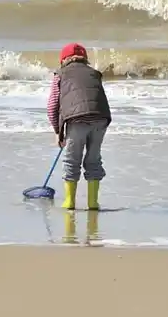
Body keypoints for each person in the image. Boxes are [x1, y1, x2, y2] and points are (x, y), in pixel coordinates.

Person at [46, 42, 112, 210]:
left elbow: (52, 105)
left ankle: (69, 201)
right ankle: (92, 202)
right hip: (101, 117)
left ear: (63, 60)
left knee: (71, 160)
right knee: (93, 159)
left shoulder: (60, 74)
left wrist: (57, 132)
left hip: (77, 120)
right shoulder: (94, 73)